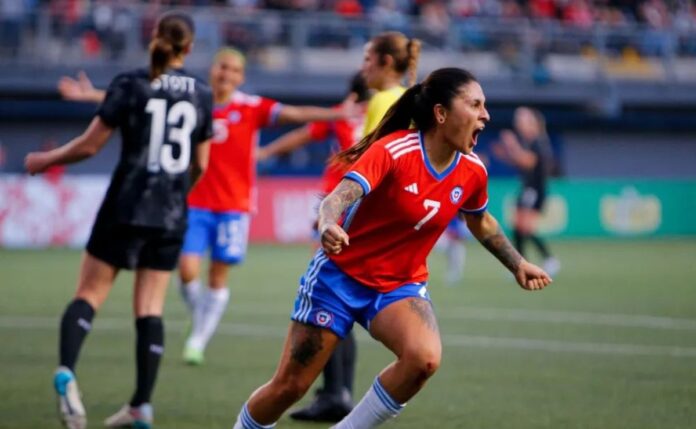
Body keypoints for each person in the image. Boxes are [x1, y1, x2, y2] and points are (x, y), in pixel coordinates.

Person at [230, 67, 552, 429]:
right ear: (441, 114)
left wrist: (517, 263)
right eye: (475, 104)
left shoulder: (473, 170)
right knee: (290, 387)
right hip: (339, 278)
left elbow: (480, 220)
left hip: (399, 286)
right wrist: (327, 222)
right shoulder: (394, 150)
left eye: (485, 106)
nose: (485, 115)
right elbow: (338, 197)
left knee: (424, 359)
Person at [58, 47, 356, 367]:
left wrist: (338, 113)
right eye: (221, 68)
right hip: (194, 201)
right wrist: (91, 96)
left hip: (234, 207)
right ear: (212, 69)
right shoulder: (195, 99)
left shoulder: (251, 107)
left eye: (232, 70)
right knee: (186, 270)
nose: (225, 74)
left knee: (217, 274)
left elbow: (296, 114)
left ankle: (198, 338)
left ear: (241, 77)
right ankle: (200, 317)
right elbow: (140, 98)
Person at [26, 12, 213, 429]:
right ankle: (141, 405)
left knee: (89, 292)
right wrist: (178, 193)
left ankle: (66, 372)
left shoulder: (130, 83)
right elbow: (201, 163)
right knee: (150, 308)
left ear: (154, 40)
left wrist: (46, 159)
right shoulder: (202, 93)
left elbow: (90, 146)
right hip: (170, 214)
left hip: (125, 206)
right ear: (190, 47)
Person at [284, 31, 422, 422]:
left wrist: (336, 212)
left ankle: (335, 394)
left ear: (385, 62)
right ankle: (337, 393)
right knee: (341, 305)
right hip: (391, 225)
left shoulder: (383, 100)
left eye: (367, 59)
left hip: (361, 222)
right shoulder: (407, 99)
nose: (362, 68)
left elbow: (371, 164)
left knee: (328, 304)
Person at [492, 106, 560, 276]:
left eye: (521, 119)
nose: (518, 123)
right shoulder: (530, 141)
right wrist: (506, 155)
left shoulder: (537, 141)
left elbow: (528, 162)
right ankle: (520, 264)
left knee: (524, 227)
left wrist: (511, 145)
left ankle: (545, 260)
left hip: (534, 189)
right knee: (519, 227)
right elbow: (522, 162)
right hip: (529, 188)